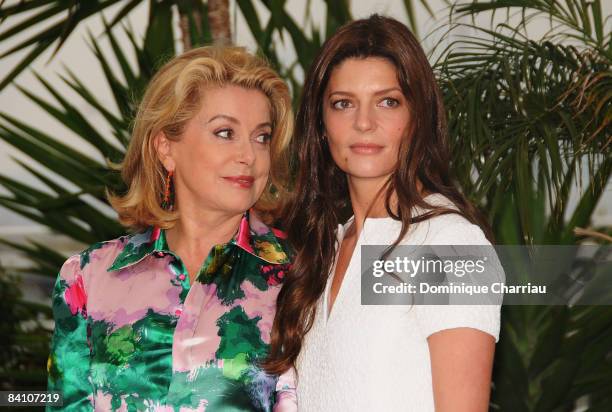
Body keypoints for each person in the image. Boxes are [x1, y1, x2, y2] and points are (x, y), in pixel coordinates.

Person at [265, 15, 501, 411]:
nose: (364, 123)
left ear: (417, 117)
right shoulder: (323, 249)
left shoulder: (450, 244)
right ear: (321, 125)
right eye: (343, 104)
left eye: (388, 102)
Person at [47, 46, 296, 411]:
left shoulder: (302, 273)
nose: (249, 155)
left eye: (262, 137)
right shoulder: (86, 276)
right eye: (225, 132)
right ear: (166, 147)